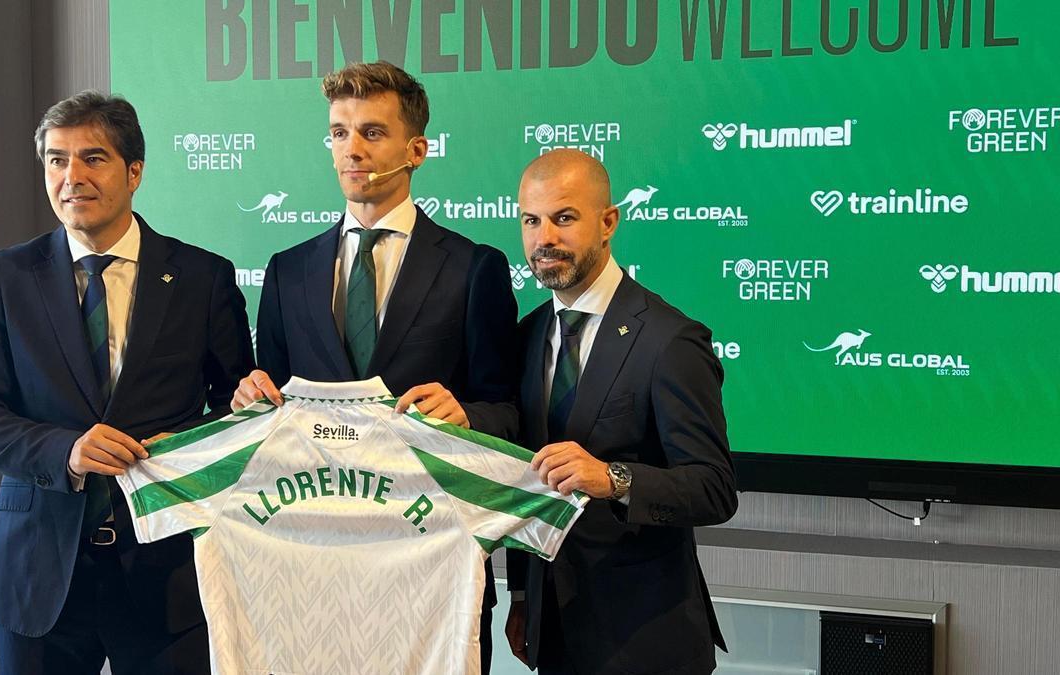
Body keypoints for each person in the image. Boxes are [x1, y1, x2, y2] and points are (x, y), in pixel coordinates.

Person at [0, 90, 255, 674]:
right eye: (57, 160)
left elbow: (236, 413)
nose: (71, 177)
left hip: (167, 582)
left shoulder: (202, 277)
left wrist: (236, 415)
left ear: (134, 171)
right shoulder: (6, 277)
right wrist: (66, 450)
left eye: (93, 158)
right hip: (38, 580)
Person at [231, 61, 518, 673]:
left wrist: (468, 412)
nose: (351, 149)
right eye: (339, 132)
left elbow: (511, 411)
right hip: (308, 563)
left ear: (416, 150)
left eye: (372, 132)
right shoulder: (287, 271)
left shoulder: (475, 268)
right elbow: (271, 412)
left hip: (432, 566)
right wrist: (251, 404)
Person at [504, 149, 738, 675]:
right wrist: (522, 595)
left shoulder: (670, 340)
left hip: (647, 640)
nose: (544, 239)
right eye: (531, 220)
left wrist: (612, 478)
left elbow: (715, 488)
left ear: (608, 223)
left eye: (564, 218)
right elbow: (528, 481)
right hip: (553, 633)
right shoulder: (526, 336)